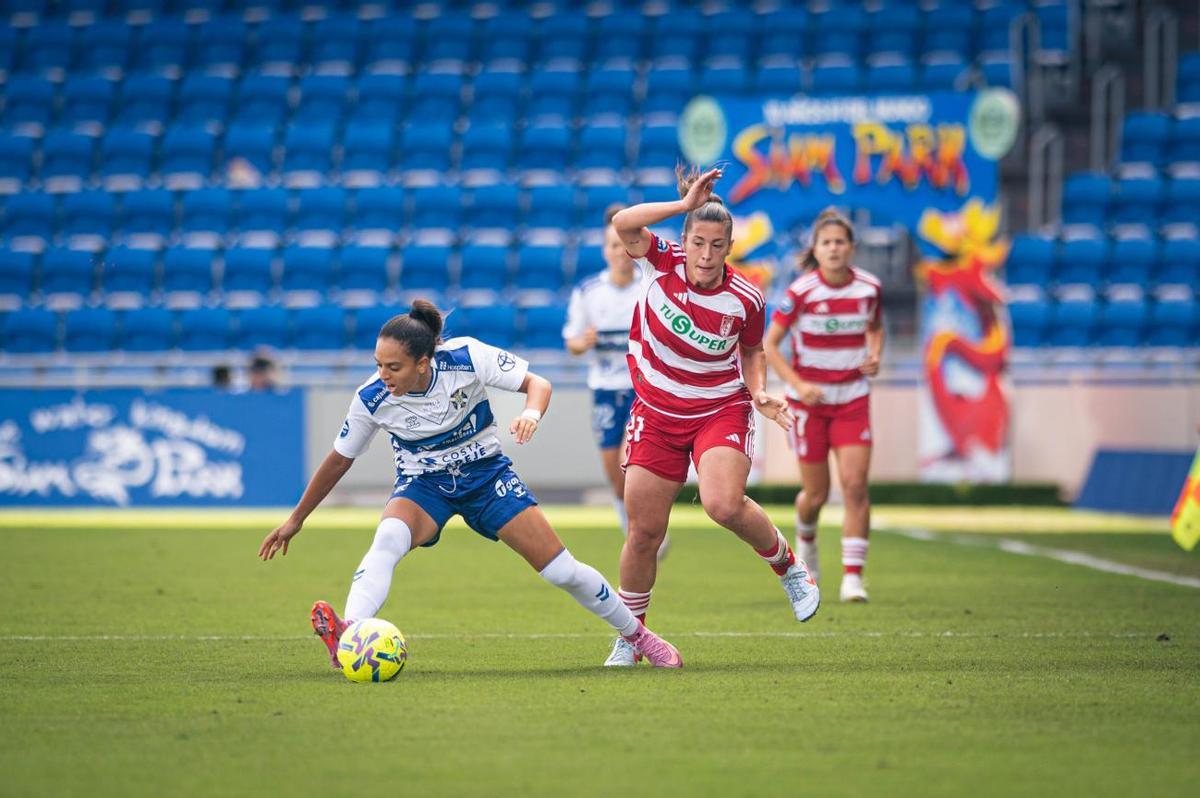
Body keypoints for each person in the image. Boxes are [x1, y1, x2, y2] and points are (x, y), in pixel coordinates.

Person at [258, 300, 683, 669]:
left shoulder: (465, 357)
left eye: (393, 367)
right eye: (378, 365)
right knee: (387, 538)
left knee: (562, 572)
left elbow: (539, 383)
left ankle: (639, 637)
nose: (383, 375)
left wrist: (530, 415)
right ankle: (350, 639)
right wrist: (297, 519)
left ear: (423, 363)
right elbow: (339, 459)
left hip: (486, 476)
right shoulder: (372, 398)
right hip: (424, 485)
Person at [600, 165, 819, 668]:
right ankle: (632, 637)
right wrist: (683, 203)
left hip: (719, 407)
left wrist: (760, 391)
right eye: (697, 241)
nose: (705, 254)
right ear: (685, 239)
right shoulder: (661, 262)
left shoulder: (746, 297)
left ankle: (789, 568)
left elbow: (752, 350)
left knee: (722, 504)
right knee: (643, 533)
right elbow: (624, 223)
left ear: (729, 246)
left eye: (717, 245)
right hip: (655, 412)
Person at [763, 208, 883, 603]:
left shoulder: (869, 289)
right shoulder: (801, 292)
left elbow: (875, 327)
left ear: (851, 248)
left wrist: (875, 354)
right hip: (808, 405)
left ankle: (853, 578)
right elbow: (769, 345)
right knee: (815, 495)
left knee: (854, 487)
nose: (833, 249)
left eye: (840, 242)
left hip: (852, 400)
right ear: (816, 249)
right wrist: (798, 383)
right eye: (826, 242)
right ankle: (807, 544)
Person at [562, 203, 667, 558]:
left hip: (643, 388)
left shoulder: (650, 285)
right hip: (605, 389)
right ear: (604, 250)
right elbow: (572, 342)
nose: (619, 253)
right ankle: (630, 521)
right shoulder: (589, 291)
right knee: (613, 470)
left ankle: (645, 529)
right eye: (611, 246)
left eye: (623, 245)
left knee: (631, 457)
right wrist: (584, 341)